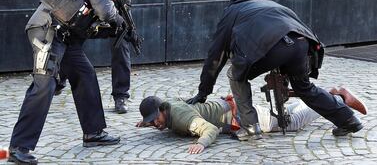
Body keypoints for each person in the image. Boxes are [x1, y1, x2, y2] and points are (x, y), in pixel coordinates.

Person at [8, 0, 141, 164]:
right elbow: (105, 11)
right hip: (47, 31)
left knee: (85, 74)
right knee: (45, 84)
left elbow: (89, 24)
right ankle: (18, 147)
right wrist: (119, 20)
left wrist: (116, 30)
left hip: (66, 38)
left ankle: (93, 132)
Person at [186, 0, 364, 141]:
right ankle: (348, 120)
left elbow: (216, 56)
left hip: (273, 46)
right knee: (304, 87)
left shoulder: (231, 12)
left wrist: (204, 92)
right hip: (302, 43)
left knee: (235, 74)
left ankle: (250, 127)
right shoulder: (267, 4)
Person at [137, 88, 367, 154]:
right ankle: (329, 94)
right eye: (151, 121)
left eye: (155, 119)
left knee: (292, 122)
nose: (155, 124)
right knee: (284, 115)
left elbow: (209, 129)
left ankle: (337, 99)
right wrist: (148, 121)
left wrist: (202, 143)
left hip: (243, 116)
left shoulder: (181, 119)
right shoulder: (167, 105)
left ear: (163, 111)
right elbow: (181, 100)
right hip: (235, 107)